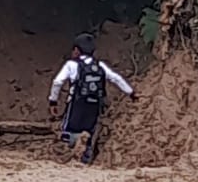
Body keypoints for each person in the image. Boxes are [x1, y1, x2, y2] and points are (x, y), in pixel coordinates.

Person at [48, 33, 134, 164]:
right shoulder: (100, 66)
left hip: (76, 104)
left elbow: (57, 82)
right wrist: (131, 93)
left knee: (69, 129)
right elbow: (116, 78)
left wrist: (53, 101)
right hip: (94, 105)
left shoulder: (71, 65)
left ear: (77, 50)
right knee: (88, 130)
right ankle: (85, 156)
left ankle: (68, 155)